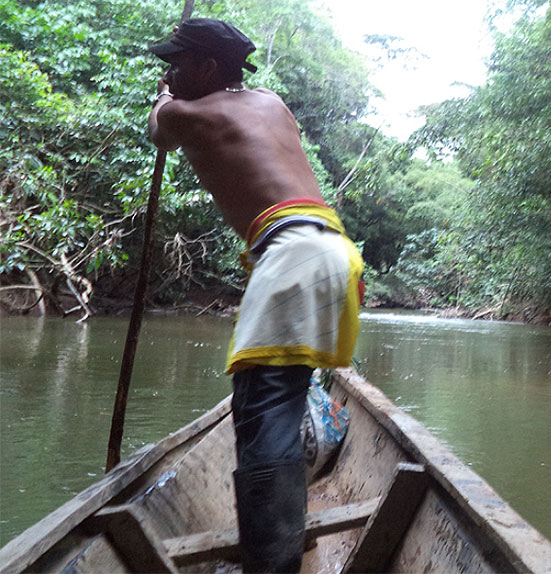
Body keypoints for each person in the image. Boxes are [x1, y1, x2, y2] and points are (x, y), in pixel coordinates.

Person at [147, 18, 363, 573]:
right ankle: (283, 540)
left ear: (208, 68)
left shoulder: (185, 111)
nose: (168, 72)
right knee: (275, 401)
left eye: (177, 61)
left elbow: (158, 129)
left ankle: (271, 564)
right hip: (335, 251)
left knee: (262, 409)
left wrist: (164, 98)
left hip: (291, 254)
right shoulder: (270, 101)